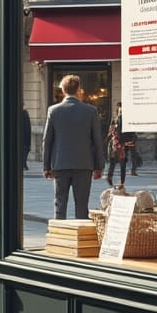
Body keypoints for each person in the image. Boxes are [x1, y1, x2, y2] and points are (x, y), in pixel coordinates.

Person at [43, 74, 104, 220]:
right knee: (82, 207)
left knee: (59, 205)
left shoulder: (54, 110)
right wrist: (99, 166)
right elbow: (97, 140)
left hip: (60, 163)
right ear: (79, 90)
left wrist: (46, 166)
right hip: (84, 164)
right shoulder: (91, 111)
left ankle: (59, 239)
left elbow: (47, 140)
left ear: (63, 90)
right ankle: (80, 239)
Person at [105, 118, 128, 187]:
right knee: (122, 164)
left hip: (115, 144)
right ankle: (121, 182)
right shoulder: (120, 120)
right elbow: (119, 134)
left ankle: (110, 177)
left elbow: (111, 131)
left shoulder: (115, 119)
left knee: (114, 162)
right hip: (118, 145)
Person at [19, 106, 32, 171]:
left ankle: (23, 164)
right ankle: (23, 164)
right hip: (24, 137)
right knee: (25, 150)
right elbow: (28, 128)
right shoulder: (24, 114)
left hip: (21, 137)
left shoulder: (23, 113)